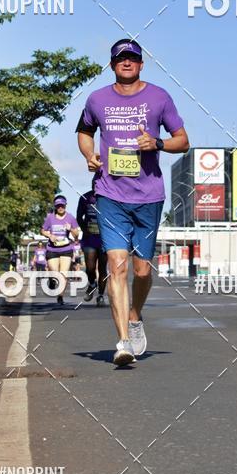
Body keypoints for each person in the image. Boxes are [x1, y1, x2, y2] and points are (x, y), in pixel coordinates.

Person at [77, 39, 189, 365]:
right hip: (110, 193)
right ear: (112, 65)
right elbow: (84, 131)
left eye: (132, 58)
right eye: (120, 59)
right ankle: (123, 341)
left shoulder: (159, 97)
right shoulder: (97, 99)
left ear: (141, 64)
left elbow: (183, 141)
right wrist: (89, 154)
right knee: (117, 266)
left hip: (149, 195)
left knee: (141, 271)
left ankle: (135, 316)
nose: (126, 63)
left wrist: (156, 143)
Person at [41, 195, 80, 306]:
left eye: (62, 205)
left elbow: (76, 234)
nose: (60, 208)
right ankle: (52, 279)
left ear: (65, 205)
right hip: (52, 249)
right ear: (55, 206)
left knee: (63, 274)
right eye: (58, 206)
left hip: (66, 249)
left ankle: (60, 296)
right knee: (55, 272)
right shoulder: (50, 218)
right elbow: (43, 230)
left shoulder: (70, 218)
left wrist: (71, 229)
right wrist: (49, 235)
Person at [76, 182, 108, 306]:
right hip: (90, 238)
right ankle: (92, 283)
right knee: (90, 267)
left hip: (105, 238)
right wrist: (85, 230)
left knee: (102, 268)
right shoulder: (85, 198)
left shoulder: (108, 198)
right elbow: (79, 217)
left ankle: (100, 295)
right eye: (95, 183)